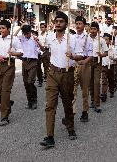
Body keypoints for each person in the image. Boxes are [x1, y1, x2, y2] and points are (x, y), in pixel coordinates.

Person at [39, 11, 84, 148]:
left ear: (66, 24)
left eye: (61, 22)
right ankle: (49, 136)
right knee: (50, 105)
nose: (58, 24)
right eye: (56, 22)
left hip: (67, 74)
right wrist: (39, 44)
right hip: (52, 73)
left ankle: (70, 128)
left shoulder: (73, 38)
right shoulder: (50, 37)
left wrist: (73, 56)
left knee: (67, 103)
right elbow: (45, 49)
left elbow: (81, 56)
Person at [0, 20, 23, 126]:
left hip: (9, 65)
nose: (1, 30)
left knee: (5, 91)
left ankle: (4, 116)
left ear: (8, 29)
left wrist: (14, 53)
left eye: (3, 28)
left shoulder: (14, 39)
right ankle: (7, 103)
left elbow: (21, 52)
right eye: (0, 28)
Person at [16, 24, 44, 110]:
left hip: (33, 62)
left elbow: (42, 49)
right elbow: (13, 37)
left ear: (30, 32)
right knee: (25, 83)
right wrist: (20, 27)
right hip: (25, 61)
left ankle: (34, 100)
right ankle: (29, 101)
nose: (26, 35)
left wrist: (38, 41)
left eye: (27, 33)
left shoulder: (35, 38)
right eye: (24, 33)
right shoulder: (22, 38)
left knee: (30, 82)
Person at [72, 16, 93, 122]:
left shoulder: (88, 38)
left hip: (85, 65)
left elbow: (91, 54)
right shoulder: (72, 37)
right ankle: (72, 112)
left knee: (85, 90)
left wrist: (85, 61)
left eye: (80, 23)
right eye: (77, 23)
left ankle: (85, 111)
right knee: (73, 90)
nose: (78, 26)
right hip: (74, 64)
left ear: (84, 25)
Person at [89, 22, 108, 112]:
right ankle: (92, 100)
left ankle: (97, 103)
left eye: (94, 29)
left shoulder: (101, 40)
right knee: (90, 82)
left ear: (97, 30)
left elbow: (106, 52)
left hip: (97, 62)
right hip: (88, 62)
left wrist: (101, 54)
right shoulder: (86, 39)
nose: (92, 31)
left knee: (96, 82)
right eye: (91, 29)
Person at [100, 33, 117, 101]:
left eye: (106, 40)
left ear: (110, 40)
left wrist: (114, 58)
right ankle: (104, 94)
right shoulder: (101, 48)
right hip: (103, 66)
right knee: (104, 80)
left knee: (111, 79)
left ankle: (111, 91)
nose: (105, 41)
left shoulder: (114, 48)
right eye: (104, 40)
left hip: (111, 66)